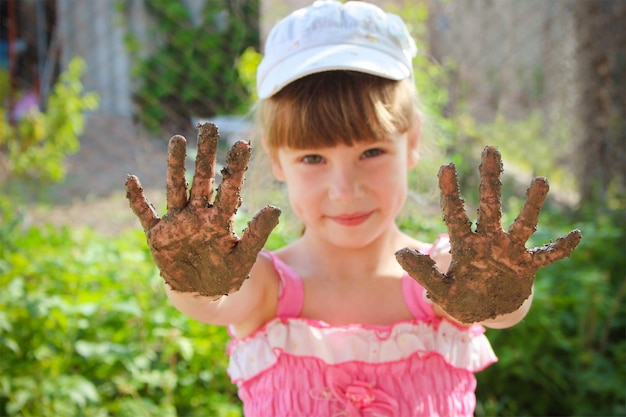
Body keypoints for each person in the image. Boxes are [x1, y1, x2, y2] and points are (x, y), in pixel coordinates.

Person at [125, 1, 581, 416]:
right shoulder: (266, 288)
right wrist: (193, 276)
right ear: (277, 158)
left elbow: (494, 309)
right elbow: (213, 302)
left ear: (413, 141)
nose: (345, 190)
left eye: (371, 153)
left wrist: (495, 290)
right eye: (313, 158)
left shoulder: (441, 281)